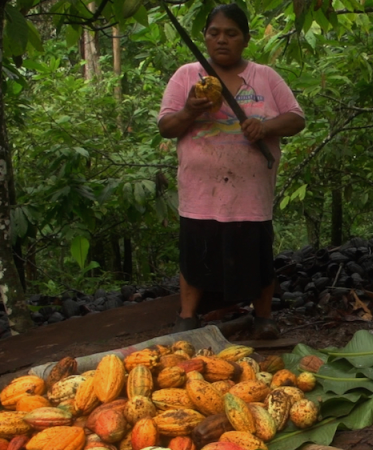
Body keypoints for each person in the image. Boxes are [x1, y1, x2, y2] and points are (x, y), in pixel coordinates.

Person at [157, 4, 305, 339]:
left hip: (249, 191)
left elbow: (296, 118)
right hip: (200, 190)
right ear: (205, 38)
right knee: (196, 250)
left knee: (255, 252)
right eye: (214, 33)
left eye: (231, 33)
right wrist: (190, 110)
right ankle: (188, 316)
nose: (221, 40)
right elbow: (167, 127)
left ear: (246, 39)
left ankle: (263, 317)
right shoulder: (186, 76)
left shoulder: (265, 77)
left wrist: (265, 126)